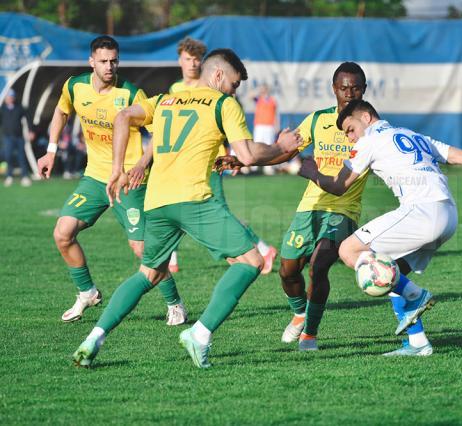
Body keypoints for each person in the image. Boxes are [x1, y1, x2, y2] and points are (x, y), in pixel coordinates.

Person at [72, 48, 302, 369]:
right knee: (252, 260)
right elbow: (249, 155)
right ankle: (200, 334)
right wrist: (282, 147)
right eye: (235, 84)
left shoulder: (166, 99)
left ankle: (93, 337)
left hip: (156, 201)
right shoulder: (223, 104)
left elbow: (123, 116)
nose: (236, 91)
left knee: (148, 273)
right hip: (193, 199)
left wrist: (116, 169)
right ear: (219, 75)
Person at [298, 100, 462, 355]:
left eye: (350, 129)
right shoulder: (413, 135)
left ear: (365, 117)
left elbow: (338, 185)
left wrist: (312, 171)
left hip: (422, 212)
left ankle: (415, 294)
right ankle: (418, 342)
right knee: (391, 271)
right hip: (448, 215)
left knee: (348, 250)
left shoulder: (369, 140)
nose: (350, 137)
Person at [36, 35, 184, 325]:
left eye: (114, 60)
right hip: (94, 177)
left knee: (142, 250)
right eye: (103, 61)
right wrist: (51, 151)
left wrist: (143, 163)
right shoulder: (75, 86)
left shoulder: (130, 94)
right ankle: (87, 292)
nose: (109, 66)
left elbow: (159, 130)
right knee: (62, 233)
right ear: (91, 61)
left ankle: (174, 303)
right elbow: (61, 111)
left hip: (128, 179)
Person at [268, 62, 371, 351]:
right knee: (288, 270)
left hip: (343, 210)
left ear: (365, 89)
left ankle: (309, 335)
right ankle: (300, 313)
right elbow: (288, 151)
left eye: (356, 87)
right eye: (344, 87)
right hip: (309, 207)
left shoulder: (371, 129)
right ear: (334, 88)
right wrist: (245, 160)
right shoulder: (318, 119)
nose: (350, 93)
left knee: (319, 265)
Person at [160, 37, 278, 276]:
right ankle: (171, 258)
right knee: (182, 208)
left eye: (196, 60)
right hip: (183, 162)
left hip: (212, 159)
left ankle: (261, 249)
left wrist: (234, 155)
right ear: (179, 60)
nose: (192, 64)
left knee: (218, 211)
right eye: (187, 59)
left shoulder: (220, 91)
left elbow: (230, 125)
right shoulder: (175, 90)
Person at [1, 88, 32, 187]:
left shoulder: (19, 108)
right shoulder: (2, 109)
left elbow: (28, 117)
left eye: (11, 97)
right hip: (7, 137)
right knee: (8, 156)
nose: (10, 99)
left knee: (21, 157)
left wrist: (30, 131)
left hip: (19, 137)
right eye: (8, 97)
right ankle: (9, 176)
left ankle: (25, 177)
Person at [252, 84, 278, 175]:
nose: (264, 91)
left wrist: (276, 126)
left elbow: (275, 114)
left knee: (268, 146)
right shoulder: (258, 99)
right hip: (259, 126)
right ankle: (254, 167)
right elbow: (250, 96)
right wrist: (259, 91)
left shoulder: (272, 101)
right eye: (262, 89)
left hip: (269, 126)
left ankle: (268, 167)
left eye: (265, 89)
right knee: (257, 145)